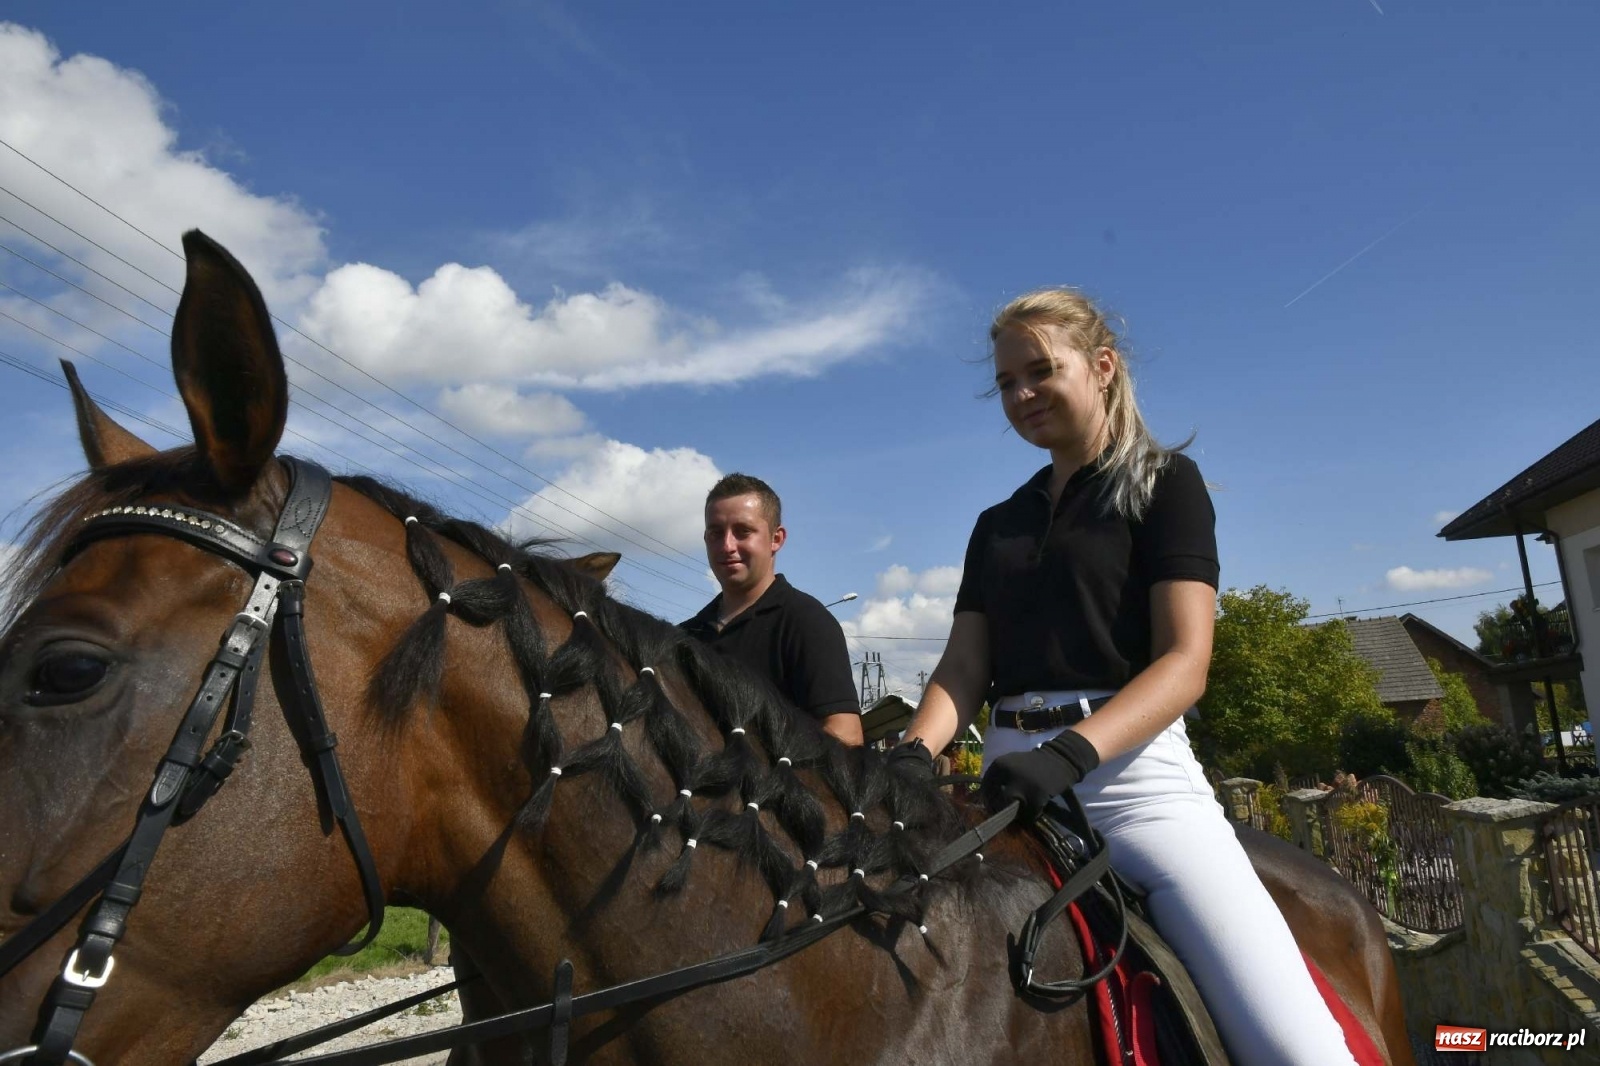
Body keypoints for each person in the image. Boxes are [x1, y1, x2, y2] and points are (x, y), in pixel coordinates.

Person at [890, 289, 1357, 1066]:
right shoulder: (995, 525)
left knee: (1297, 1049)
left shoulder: (1166, 484)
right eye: (1006, 382)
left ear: (1102, 367)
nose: (1022, 395)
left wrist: (1068, 754)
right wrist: (911, 753)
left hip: (1133, 785)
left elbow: (1185, 662)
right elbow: (965, 665)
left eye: (1041, 371)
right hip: (1006, 785)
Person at [682, 473, 863, 745]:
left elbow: (845, 737)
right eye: (716, 533)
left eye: (743, 532)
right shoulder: (685, 637)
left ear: (776, 539)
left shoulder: (806, 622)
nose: (727, 546)